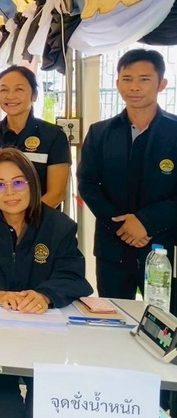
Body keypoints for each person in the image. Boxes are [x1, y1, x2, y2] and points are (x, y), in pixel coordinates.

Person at [0, 148, 92, 418]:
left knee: (42, 404)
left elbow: (74, 277)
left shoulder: (59, 226)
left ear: (32, 184)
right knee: (5, 404)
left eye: (18, 183)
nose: (10, 192)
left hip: (45, 337)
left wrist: (45, 296)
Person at [78, 49, 177, 302]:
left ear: (161, 84)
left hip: (164, 246)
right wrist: (122, 226)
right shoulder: (100, 132)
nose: (134, 87)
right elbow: (88, 184)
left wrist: (146, 222)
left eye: (144, 79)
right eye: (127, 79)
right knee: (114, 315)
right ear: (117, 83)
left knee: (165, 319)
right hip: (113, 247)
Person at [0, 65, 70, 209]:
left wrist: (23, 220)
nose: (10, 96)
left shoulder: (53, 135)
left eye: (19, 89)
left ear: (34, 95)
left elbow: (56, 194)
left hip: (39, 221)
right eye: (4, 90)